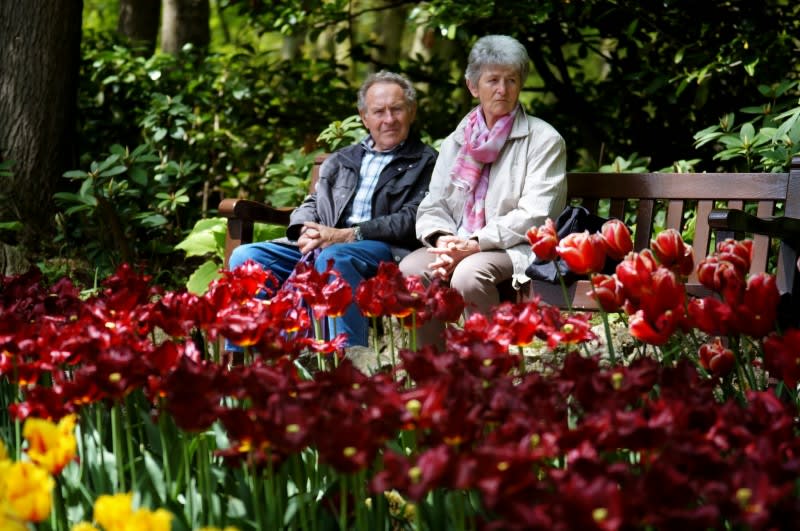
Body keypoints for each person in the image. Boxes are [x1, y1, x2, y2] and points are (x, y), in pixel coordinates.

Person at [228, 71, 437, 348]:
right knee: (247, 256)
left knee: (336, 256)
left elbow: (411, 219)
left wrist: (345, 235)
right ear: (364, 117)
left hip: (381, 248)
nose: (389, 119)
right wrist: (304, 229)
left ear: (411, 111)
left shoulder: (426, 161)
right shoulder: (343, 159)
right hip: (324, 243)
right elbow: (313, 202)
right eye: (379, 111)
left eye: (397, 109)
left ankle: (348, 360)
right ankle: (246, 356)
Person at [399, 35, 567, 350]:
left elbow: (536, 215)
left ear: (520, 85)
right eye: (492, 80)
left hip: (514, 246)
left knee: (468, 275)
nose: (502, 89)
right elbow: (433, 205)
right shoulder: (457, 140)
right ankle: (430, 370)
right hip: (461, 240)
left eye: (511, 80)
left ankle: (492, 373)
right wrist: (442, 239)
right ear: (473, 86)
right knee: (410, 269)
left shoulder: (545, 140)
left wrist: (475, 244)